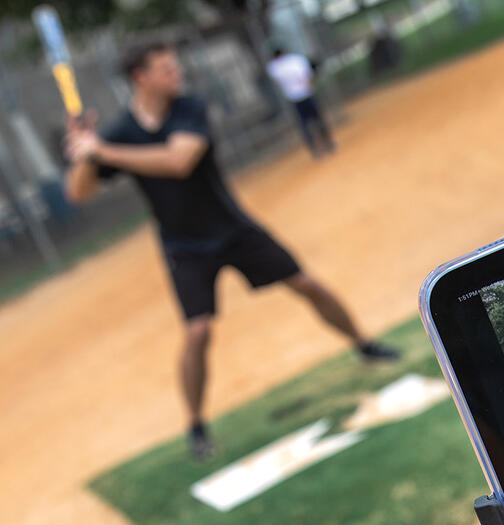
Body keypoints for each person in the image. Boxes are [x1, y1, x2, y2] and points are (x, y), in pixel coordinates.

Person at [63, 40, 397, 460]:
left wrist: (103, 151)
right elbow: (79, 192)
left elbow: (178, 161)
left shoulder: (189, 109)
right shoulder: (119, 133)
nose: (176, 73)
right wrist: (83, 154)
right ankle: (196, 426)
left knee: (305, 282)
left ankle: (364, 344)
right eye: (166, 69)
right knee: (197, 331)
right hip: (184, 245)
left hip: (232, 227)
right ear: (140, 77)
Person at [265, 47, 336, 158]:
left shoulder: (275, 67)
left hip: (294, 98)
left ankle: (315, 149)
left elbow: (276, 79)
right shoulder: (296, 60)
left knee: (305, 125)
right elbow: (308, 76)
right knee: (318, 119)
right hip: (307, 93)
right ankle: (328, 143)